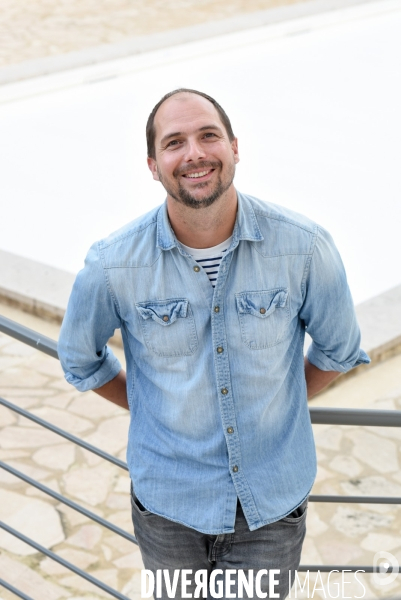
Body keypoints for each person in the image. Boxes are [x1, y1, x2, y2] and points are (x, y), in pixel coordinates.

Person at [58, 88, 369, 599]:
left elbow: (338, 349)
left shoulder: (305, 247)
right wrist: (154, 407)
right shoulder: (112, 264)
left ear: (235, 147)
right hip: (167, 509)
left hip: (271, 507)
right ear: (154, 165)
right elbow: (80, 359)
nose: (195, 153)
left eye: (208, 135)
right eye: (174, 142)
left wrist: (274, 405)